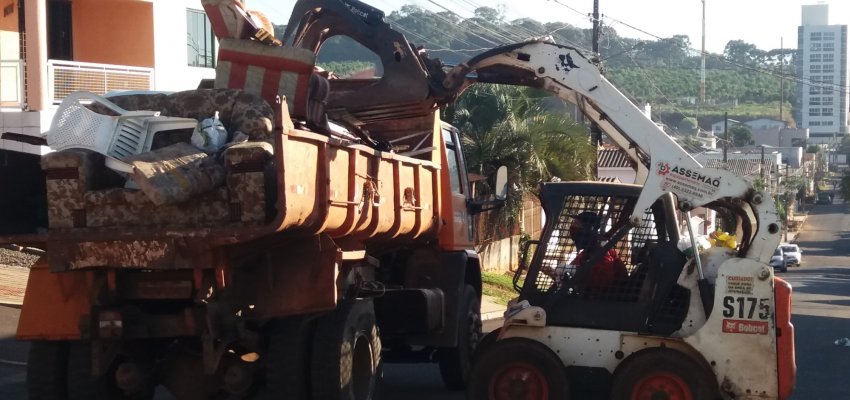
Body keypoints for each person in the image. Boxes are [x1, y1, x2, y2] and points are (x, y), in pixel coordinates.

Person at [563, 211, 628, 297]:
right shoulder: (586, 253)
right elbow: (570, 269)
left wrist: (575, 271)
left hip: (603, 301)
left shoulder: (602, 252)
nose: (572, 227)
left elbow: (603, 281)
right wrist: (559, 271)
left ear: (587, 229)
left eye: (576, 224)